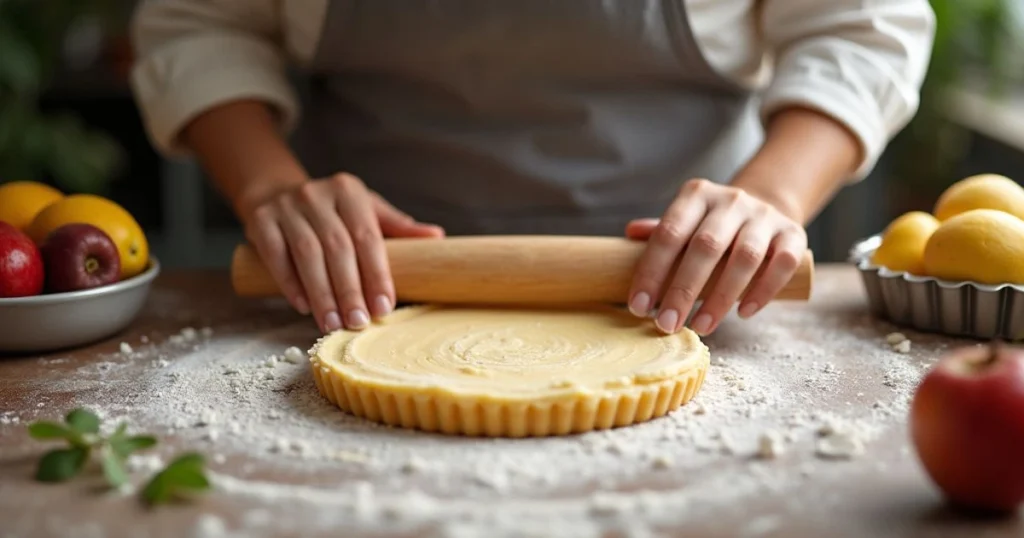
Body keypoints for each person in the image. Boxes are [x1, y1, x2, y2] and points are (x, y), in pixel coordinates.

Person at [128, 0, 935, 336]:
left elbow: (861, 24)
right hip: (351, 288)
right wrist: (271, 186)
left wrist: (769, 195)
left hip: (701, 295)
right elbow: (200, 23)